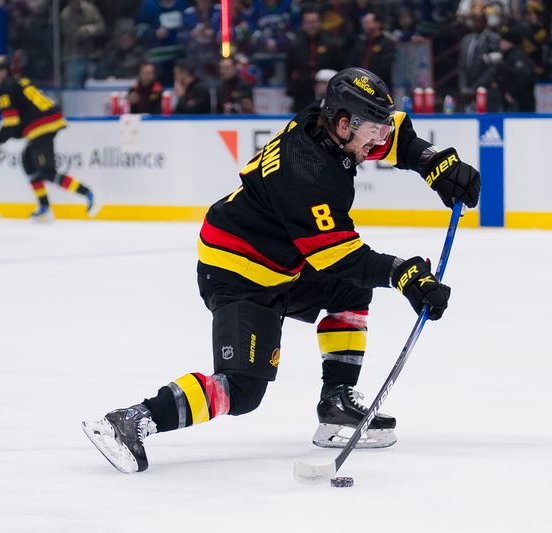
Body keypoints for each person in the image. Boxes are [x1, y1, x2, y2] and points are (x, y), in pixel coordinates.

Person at [82, 67, 481, 473]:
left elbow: (397, 138)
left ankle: (336, 403)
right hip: (238, 272)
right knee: (242, 388)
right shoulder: (310, 175)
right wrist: (404, 273)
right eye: (372, 132)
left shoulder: (324, 124)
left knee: (349, 290)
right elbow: (339, 257)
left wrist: (434, 162)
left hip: (280, 261)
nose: (380, 140)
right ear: (344, 124)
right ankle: (133, 419)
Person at [0, 55, 99, 221]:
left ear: (2, 72)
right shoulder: (19, 81)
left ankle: (87, 193)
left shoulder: (5, 87)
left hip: (41, 126)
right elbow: (18, 125)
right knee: (28, 161)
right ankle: (44, 206)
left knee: (47, 171)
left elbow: (10, 123)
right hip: (46, 122)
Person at [285, 4, 343, 113]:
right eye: (308, 22)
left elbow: (339, 68)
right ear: (303, 24)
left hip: (326, 94)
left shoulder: (330, 44)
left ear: (320, 23)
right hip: (301, 93)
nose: (311, 26)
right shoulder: (295, 44)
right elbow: (289, 70)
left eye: (314, 22)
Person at [457, 7, 501, 112]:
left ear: (485, 22)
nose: (475, 23)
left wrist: (475, 88)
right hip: (467, 93)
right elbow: (461, 66)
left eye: (478, 20)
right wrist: (463, 88)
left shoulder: (494, 39)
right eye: (473, 20)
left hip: (486, 91)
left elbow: (493, 68)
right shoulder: (465, 40)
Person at [60, 0, 105, 88]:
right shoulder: (65, 15)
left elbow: (101, 26)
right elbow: (73, 36)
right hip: (73, 56)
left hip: (92, 55)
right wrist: (83, 31)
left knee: (93, 85)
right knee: (74, 87)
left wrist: (89, 28)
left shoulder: (90, 8)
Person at [346, 11, 396, 88]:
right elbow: (351, 63)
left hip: (378, 87)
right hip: (358, 84)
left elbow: (385, 68)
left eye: (367, 23)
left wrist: (368, 81)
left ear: (377, 24)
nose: (364, 26)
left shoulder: (387, 44)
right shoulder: (360, 43)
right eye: (363, 23)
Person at [496, 26, 536, 112]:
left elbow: (524, 75)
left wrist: (511, 93)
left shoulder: (516, 56)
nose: (500, 43)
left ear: (509, 42)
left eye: (503, 41)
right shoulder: (510, 55)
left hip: (519, 103)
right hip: (516, 102)